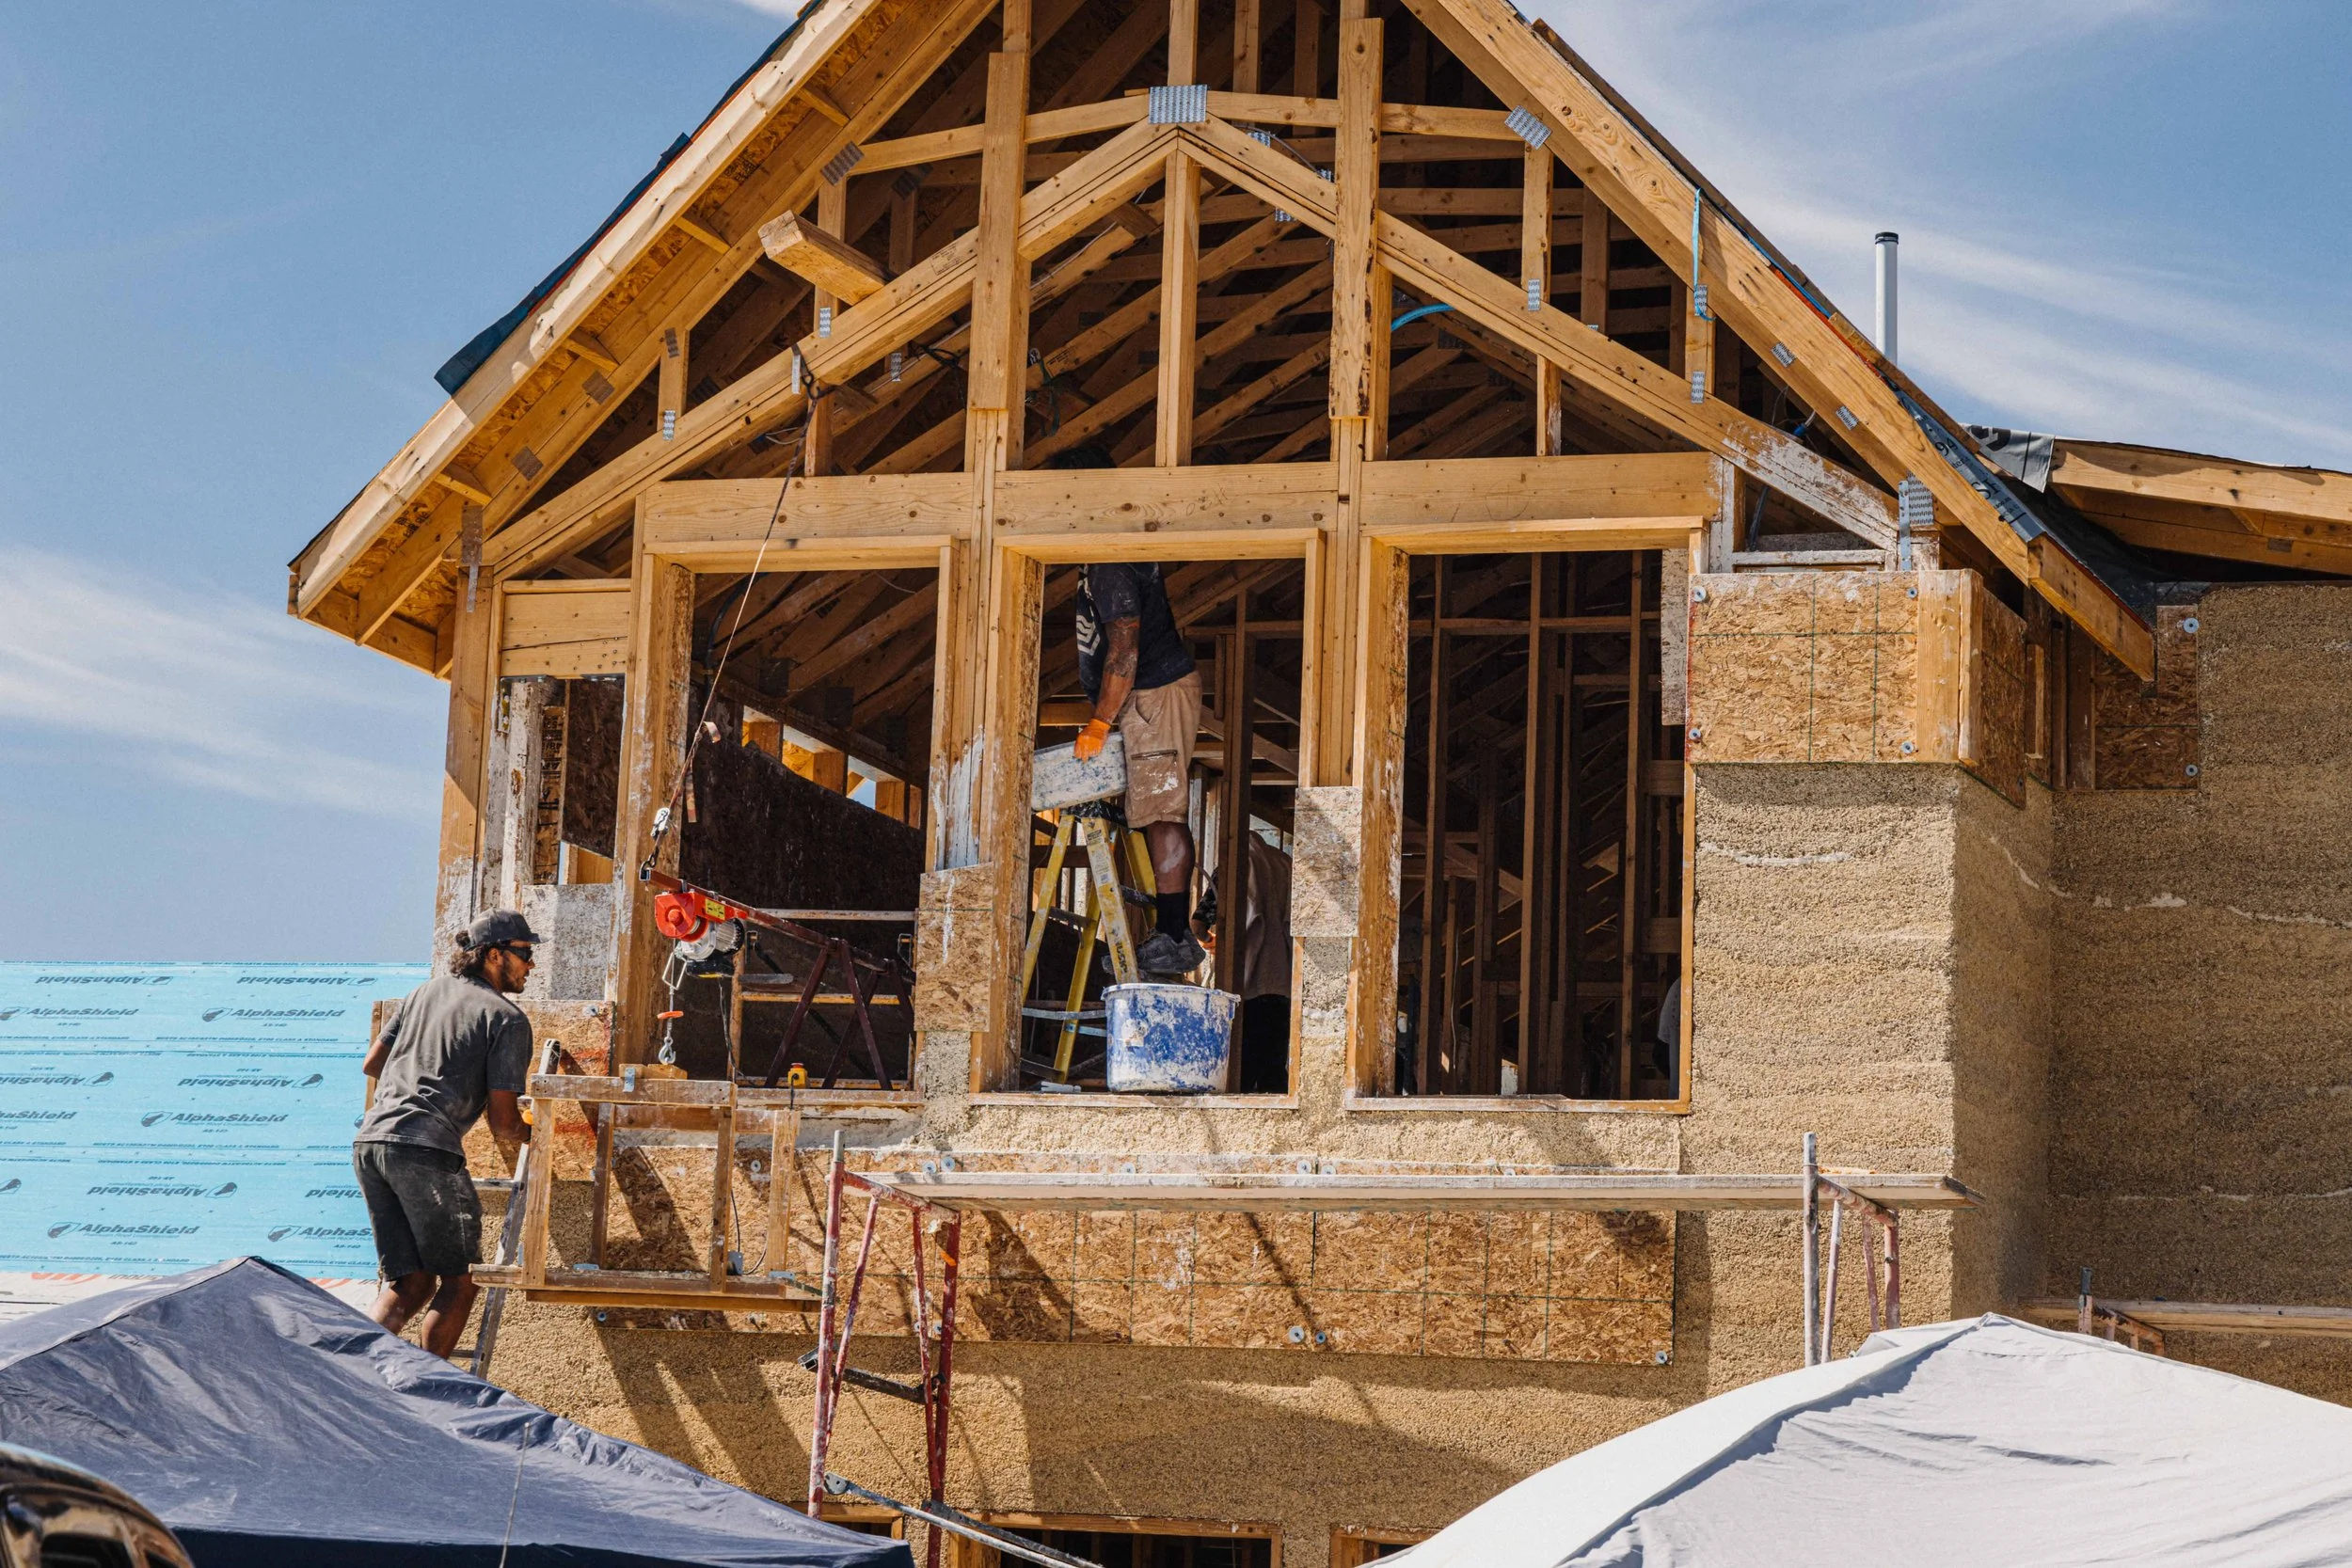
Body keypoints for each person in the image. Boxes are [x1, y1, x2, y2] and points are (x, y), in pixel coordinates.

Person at [353, 910, 536, 1357]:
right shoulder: (506, 1019)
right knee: (463, 1277)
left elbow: (373, 1064)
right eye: (525, 954)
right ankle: (429, 1395)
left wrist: (425, 1077)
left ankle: (352, 1374)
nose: (531, 965)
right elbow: (504, 1123)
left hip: (372, 1143)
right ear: (494, 955)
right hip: (424, 1150)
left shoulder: (422, 993)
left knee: (411, 1283)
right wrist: (541, 1135)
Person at [1196, 830, 1294, 1092]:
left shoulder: (1233, 866)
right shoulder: (1286, 863)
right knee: (1273, 1067)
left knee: (1243, 1068)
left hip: (1244, 981)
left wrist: (1209, 939)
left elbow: (1198, 923)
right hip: (1283, 978)